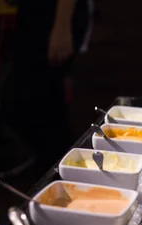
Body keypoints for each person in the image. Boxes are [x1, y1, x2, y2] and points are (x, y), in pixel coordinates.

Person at [6, 0, 93, 174]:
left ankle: (66, 180)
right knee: (29, 106)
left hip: (53, 18)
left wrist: (61, 26)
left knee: (43, 109)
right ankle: (59, 180)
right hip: (34, 15)